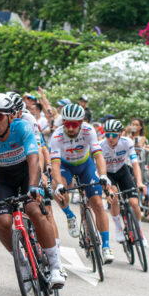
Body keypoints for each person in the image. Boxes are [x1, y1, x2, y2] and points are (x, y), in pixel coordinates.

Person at [0, 93, 66, 289]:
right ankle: (22, 262)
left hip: (26, 173)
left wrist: (33, 187)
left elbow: (33, 159)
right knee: (1, 222)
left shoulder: (22, 127)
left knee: (33, 210)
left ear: (10, 117)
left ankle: (55, 266)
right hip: (3, 178)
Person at [49, 103, 112, 261]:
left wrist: (103, 175)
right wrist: (60, 184)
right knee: (58, 187)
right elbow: (55, 164)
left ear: (82, 121)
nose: (70, 128)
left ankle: (105, 246)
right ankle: (70, 215)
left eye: (74, 124)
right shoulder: (56, 135)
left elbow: (98, 155)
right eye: (66, 123)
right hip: (65, 166)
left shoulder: (88, 130)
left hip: (85, 165)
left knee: (97, 203)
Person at [99, 119, 145, 244]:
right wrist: (107, 188)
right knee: (114, 198)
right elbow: (98, 170)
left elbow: (135, 164)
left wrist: (139, 182)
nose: (110, 138)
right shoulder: (100, 146)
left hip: (122, 170)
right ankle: (118, 228)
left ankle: (139, 231)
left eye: (113, 135)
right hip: (108, 174)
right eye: (107, 134)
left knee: (134, 203)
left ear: (120, 134)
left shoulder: (127, 142)